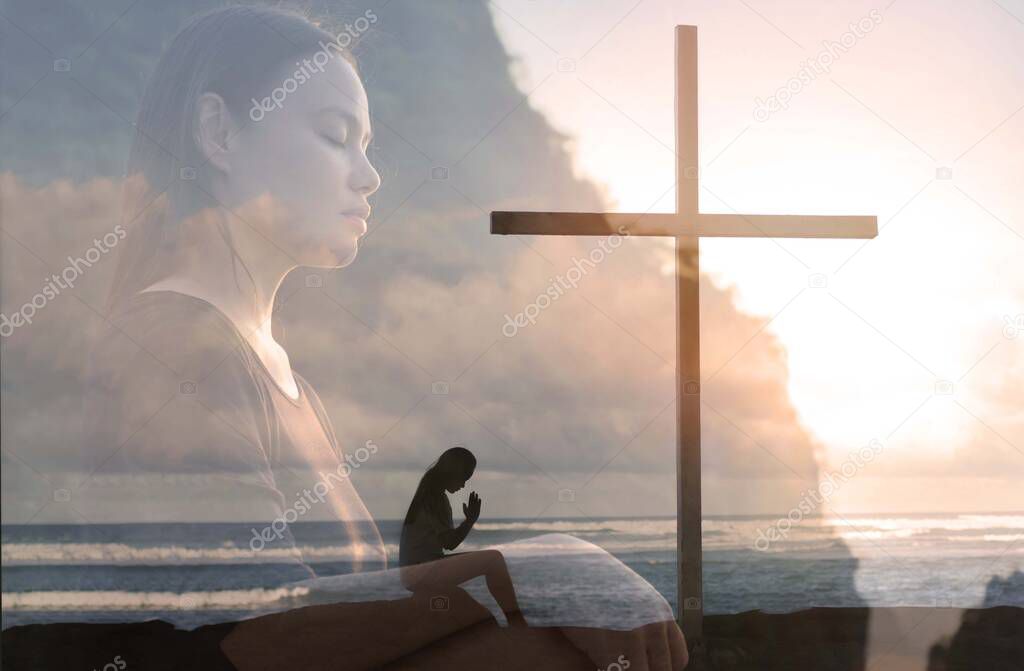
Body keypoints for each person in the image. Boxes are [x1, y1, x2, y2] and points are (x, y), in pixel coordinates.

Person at [82, 5, 386, 584]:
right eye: (335, 136)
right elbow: (252, 630)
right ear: (219, 134)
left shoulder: (282, 376)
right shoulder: (175, 349)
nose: (369, 175)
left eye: (366, 145)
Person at [399, 447, 527, 627]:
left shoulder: (428, 493)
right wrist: (470, 520)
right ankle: (517, 622)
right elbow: (450, 543)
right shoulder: (434, 498)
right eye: (464, 478)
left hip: (414, 573)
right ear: (453, 472)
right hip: (422, 572)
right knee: (494, 560)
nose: (464, 485)